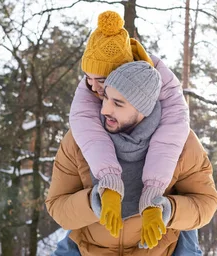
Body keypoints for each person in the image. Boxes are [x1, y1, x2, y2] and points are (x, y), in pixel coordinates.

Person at [45, 61, 217, 255]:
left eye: (118, 104)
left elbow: (206, 202)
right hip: (91, 249)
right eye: (105, 98)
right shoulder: (79, 139)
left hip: (159, 250)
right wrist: (94, 202)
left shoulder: (182, 142)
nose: (104, 110)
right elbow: (57, 204)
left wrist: (167, 211)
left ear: (143, 109)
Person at [68, 10, 191, 247]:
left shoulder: (161, 80)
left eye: (101, 81)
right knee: (69, 244)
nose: (92, 88)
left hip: (162, 230)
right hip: (97, 239)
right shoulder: (91, 86)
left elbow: (169, 138)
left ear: (120, 74)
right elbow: (89, 132)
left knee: (187, 241)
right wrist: (110, 179)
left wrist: (154, 194)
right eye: (87, 78)